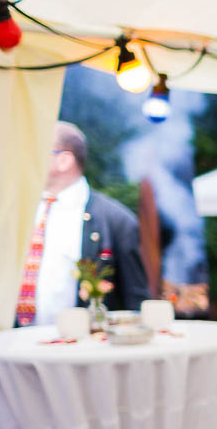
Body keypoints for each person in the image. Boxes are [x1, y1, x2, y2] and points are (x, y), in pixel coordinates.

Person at [15, 121, 150, 326]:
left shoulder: (116, 221)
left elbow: (134, 300)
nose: (27, 160)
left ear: (64, 160)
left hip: (82, 350)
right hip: (16, 345)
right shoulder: (18, 211)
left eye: (37, 151)